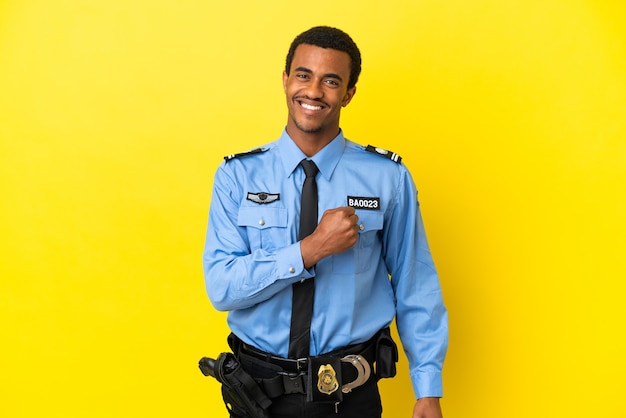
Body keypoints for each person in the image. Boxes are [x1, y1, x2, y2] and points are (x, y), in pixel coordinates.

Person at [203, 26, 448, 418]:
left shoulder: (387, 178)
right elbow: (222, 288)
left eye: (331, 81)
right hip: (258, 397)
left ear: (348, 93)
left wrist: (428, 389)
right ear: (285, 81)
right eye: (303, 75)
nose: (314, 91)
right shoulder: (238, 176)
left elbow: (415, 286)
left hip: (351, 397)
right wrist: (311, 249)